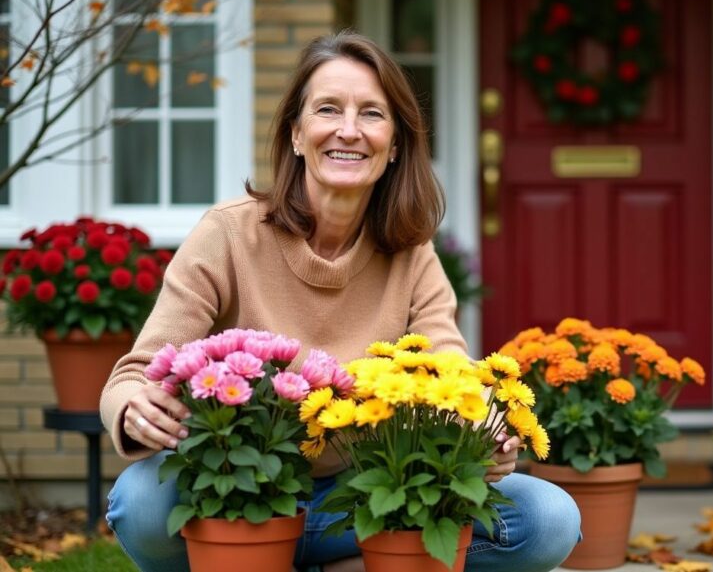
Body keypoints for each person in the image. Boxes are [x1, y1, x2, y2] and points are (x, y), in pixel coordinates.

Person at [100, 31, 581, 572]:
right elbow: (134, 375)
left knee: (547, 518)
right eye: (328, 109)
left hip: (365, 503)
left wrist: (483, 435)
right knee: (140, 502)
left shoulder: (411, 253)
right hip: (237, 497)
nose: (348, 130)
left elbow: (453, 374)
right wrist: (134, 409)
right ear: (297, 134)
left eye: (372, 114)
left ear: (395, 143)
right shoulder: (228, 234)